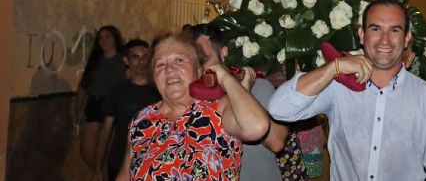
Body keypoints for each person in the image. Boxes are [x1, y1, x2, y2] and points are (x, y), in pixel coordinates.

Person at [269, 0, 426, 180]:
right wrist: (333, 67)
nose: (384, 39)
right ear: (362, 35)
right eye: (376, 29)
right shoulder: (338, 87)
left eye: (394, 30)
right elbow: (280, 109)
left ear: (406, 38)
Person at [118, 33, 270, 180]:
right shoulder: (141, 120)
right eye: (160, 64)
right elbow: (125, 175)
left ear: (199, 70)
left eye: (179, 60)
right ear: (153, 77)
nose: (169, 69)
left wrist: (224, 77)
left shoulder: (218, 108)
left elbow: (257, 127)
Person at [191, 24, 288, 181]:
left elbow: (276, 142)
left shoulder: (259, 86)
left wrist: (244, 93)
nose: (199, 69)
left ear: (223, 53)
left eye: (203, 60)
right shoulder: (187, 97)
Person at [92, 39, 160, 181]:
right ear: (126, 60)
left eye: (145, 56)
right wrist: (97, 169)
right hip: (120, 161)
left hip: (154, 163)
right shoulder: (118, 92)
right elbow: (105, 132)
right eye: (135, 57)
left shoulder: (160, 91)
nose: (141, 62)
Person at [75, 25, 127, 169]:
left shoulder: (124, 61)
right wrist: (79, 108)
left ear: (115, 39)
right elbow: (84, 86)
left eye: (107, 36)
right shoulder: (95, 60)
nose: (103, 40)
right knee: (87, 152)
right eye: (100, 37)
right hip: (95, 104)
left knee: (107, 152)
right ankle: (100, 173)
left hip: (113, 107)